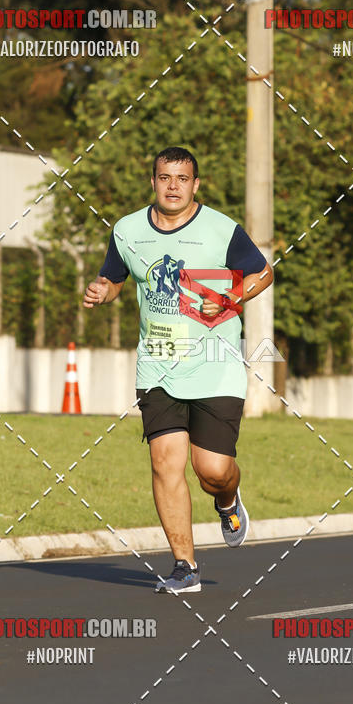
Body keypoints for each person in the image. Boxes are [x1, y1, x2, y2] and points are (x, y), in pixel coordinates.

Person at [83, 146, 273, 594]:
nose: (173, 186)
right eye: (165, 177)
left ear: (195, 184)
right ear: (153, 181)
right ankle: (184, 567)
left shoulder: (221, 229)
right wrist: (100, 291)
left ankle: (227, 501)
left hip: (215, 362)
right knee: (165, 461)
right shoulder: (127, 229)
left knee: (212, 469)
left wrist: (231, 299)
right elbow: (114, 278)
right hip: (158, 362)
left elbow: (263, 273)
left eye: (182, 179)